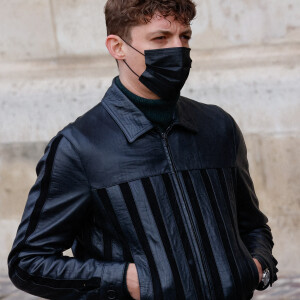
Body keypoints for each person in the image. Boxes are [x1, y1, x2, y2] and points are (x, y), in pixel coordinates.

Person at [8, 0, 278, 299]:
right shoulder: (79, 145)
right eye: (160, 38)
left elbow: (252, 225)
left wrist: (257, 267)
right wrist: (126, 280)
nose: (178, 49)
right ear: (117, 47)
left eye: (184, 37)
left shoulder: (219, 126)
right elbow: (28, 262)